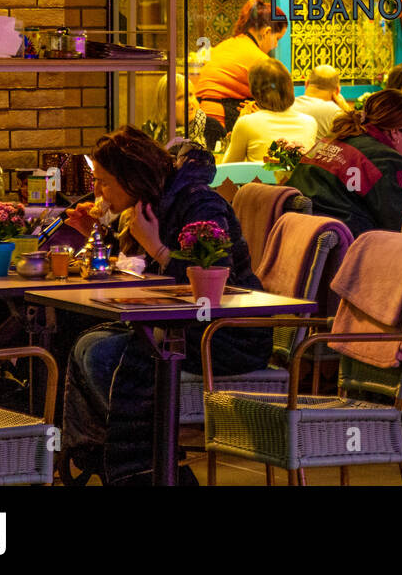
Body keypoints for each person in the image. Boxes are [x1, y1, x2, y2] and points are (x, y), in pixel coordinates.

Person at [60, 128, 270, 485]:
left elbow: (214, 286)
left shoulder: (200, 204)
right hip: (181, 328)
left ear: (132, 177)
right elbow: (147, 275)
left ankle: (148, 466)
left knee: (104, 354)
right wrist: (100, 236)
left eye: (104, 182)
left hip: (229, 336)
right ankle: (103, 452)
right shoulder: (151, 205)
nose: (97, 192)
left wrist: (156, 246)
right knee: (85, 343)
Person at [284, 89, 402, 237]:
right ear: (394, 132)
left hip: (297, 237)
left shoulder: (330, 141)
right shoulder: (389, 162)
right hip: (350, 250)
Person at [195, 0, 287, 148]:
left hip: (200, 115)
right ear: (267, 32)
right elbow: (279, 102)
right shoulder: (259, 59)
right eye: (277, 39)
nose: (276, 45)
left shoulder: (227, 44)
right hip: (220, 120)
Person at [221, 59, 319, 165]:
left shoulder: (246, 123)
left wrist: (240, 122)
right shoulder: (310, 122)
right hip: (298, 181)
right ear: (290, 87)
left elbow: (228, 168)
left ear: (255, 92)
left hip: (258, 181)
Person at [141, 74, 206, 150]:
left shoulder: (211, 127)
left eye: (190, 95)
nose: (189, 102)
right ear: (165, 104)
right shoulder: (149, 132)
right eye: (180, 98)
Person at [293, 64, 350, 139]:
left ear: (306, 84)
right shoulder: (336, 113)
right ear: (337, 90)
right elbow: (358, 134)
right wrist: (346, 109)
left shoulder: (288, 105)